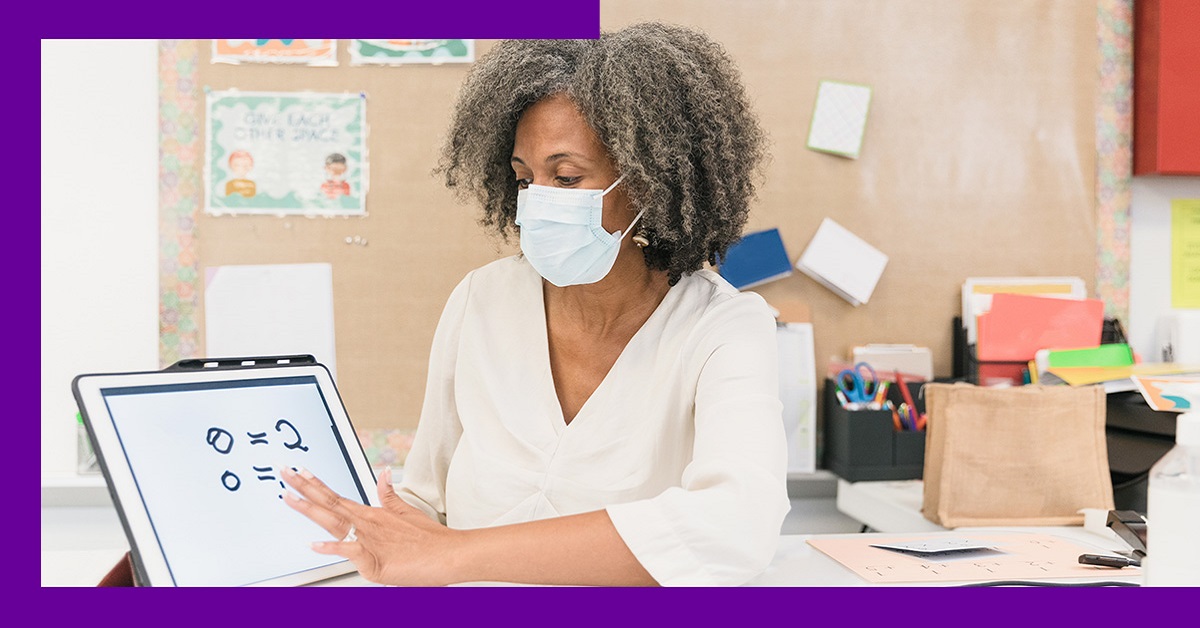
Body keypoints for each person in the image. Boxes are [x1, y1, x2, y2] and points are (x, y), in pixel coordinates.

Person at [282, 21, 789, 587]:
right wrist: (374, 533)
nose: (539, 204)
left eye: (567, 177)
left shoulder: (724, 329)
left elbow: (736, 525)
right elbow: (429, 503)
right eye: (526, 180)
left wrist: (457, 554)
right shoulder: (482, 300)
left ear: (651, 183)